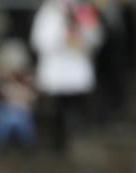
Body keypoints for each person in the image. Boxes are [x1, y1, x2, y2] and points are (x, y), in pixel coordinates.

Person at [30, 0, 102, 151]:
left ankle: (78, 141)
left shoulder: (83, 11)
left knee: (76, 110)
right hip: (56, 70)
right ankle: (56, 144)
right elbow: (39, 40)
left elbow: (95, 38)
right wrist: (62, 36)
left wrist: (81, 34)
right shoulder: (49, 12)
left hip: (77, 69)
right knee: (56, 110)